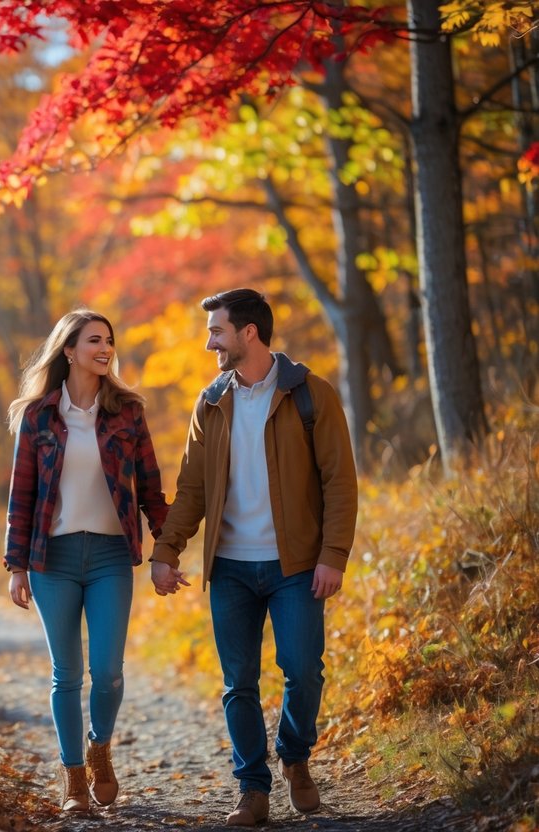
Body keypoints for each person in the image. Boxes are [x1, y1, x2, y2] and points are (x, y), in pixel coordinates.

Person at [148, 288, 358, 827]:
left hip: (295, 565)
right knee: (238, 681)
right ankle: (252, 789)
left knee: (303, 670)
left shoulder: (311, 394)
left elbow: (340, 482)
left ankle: (294, 755)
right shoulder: (211, 402)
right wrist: (166, 550)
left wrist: (332, 554)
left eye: (216, 331)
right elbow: (191, 487)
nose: (208, 343)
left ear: (249, 333)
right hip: (232, 569)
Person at [3, 308, 170, 813]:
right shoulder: (37, 417)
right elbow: (22, 496)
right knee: (67, 674)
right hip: (50, 558)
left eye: (109, 340)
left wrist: (167, 546)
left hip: (110, 556)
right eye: (94, 340)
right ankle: (74, 777)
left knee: (109, 671)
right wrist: (15, 566)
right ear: (68, 349)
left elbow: (151, 488)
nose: (105, 348)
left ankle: (99, 747)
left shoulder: (128, 412)